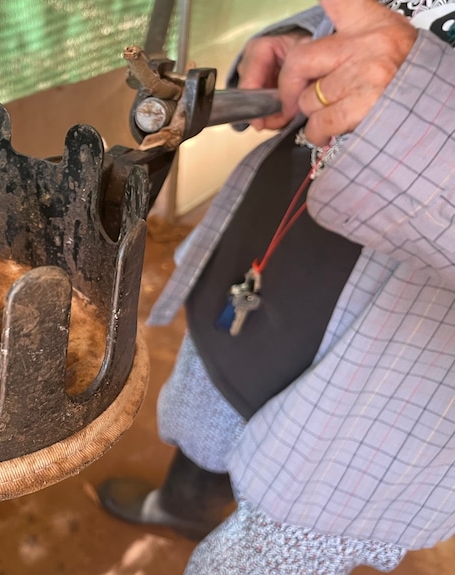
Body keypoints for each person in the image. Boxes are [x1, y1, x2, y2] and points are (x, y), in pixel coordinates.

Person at [98, 1, 455, 573]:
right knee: (210, 392)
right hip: (278, 231)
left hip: (403, 361)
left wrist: (423, 105)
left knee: (272, 547)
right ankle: (186, 506)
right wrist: (305, 40)